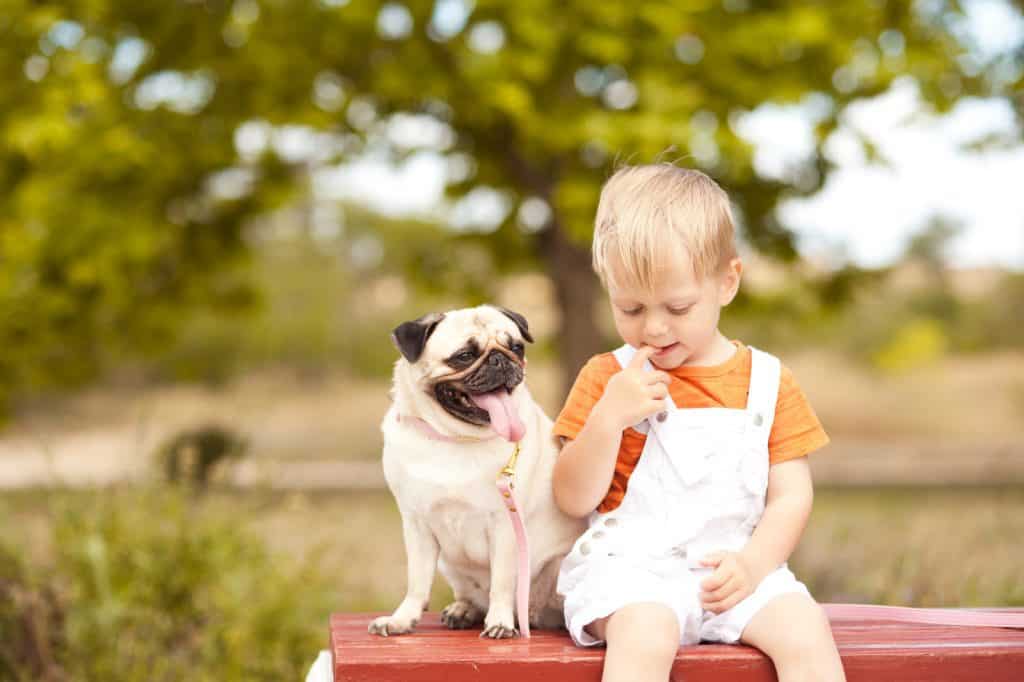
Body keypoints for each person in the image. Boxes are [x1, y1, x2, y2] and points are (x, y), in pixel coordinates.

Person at [551, 164, 846, 682]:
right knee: (646, 633)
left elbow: (791, 496)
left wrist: (754, 564)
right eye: (631, 308)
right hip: (632, 573)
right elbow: (573, 498)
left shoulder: (768, 382)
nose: (655, 327)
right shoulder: (608, 377)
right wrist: (607, 421)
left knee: (805, 632)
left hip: (734, 568)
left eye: (678, 306)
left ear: (727, 282)